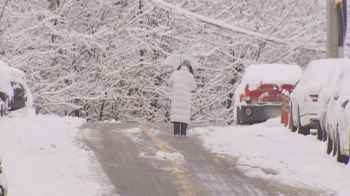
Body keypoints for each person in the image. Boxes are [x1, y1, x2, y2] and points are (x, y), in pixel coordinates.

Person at [167, 59, 197, 138]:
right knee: (184, 114)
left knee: (177, 113)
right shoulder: (190, 75)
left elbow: (169, 83)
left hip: (176, 97)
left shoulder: (175, 73)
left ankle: (176, 133)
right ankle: (183, 133)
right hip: (185, 98)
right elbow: (193, 87)